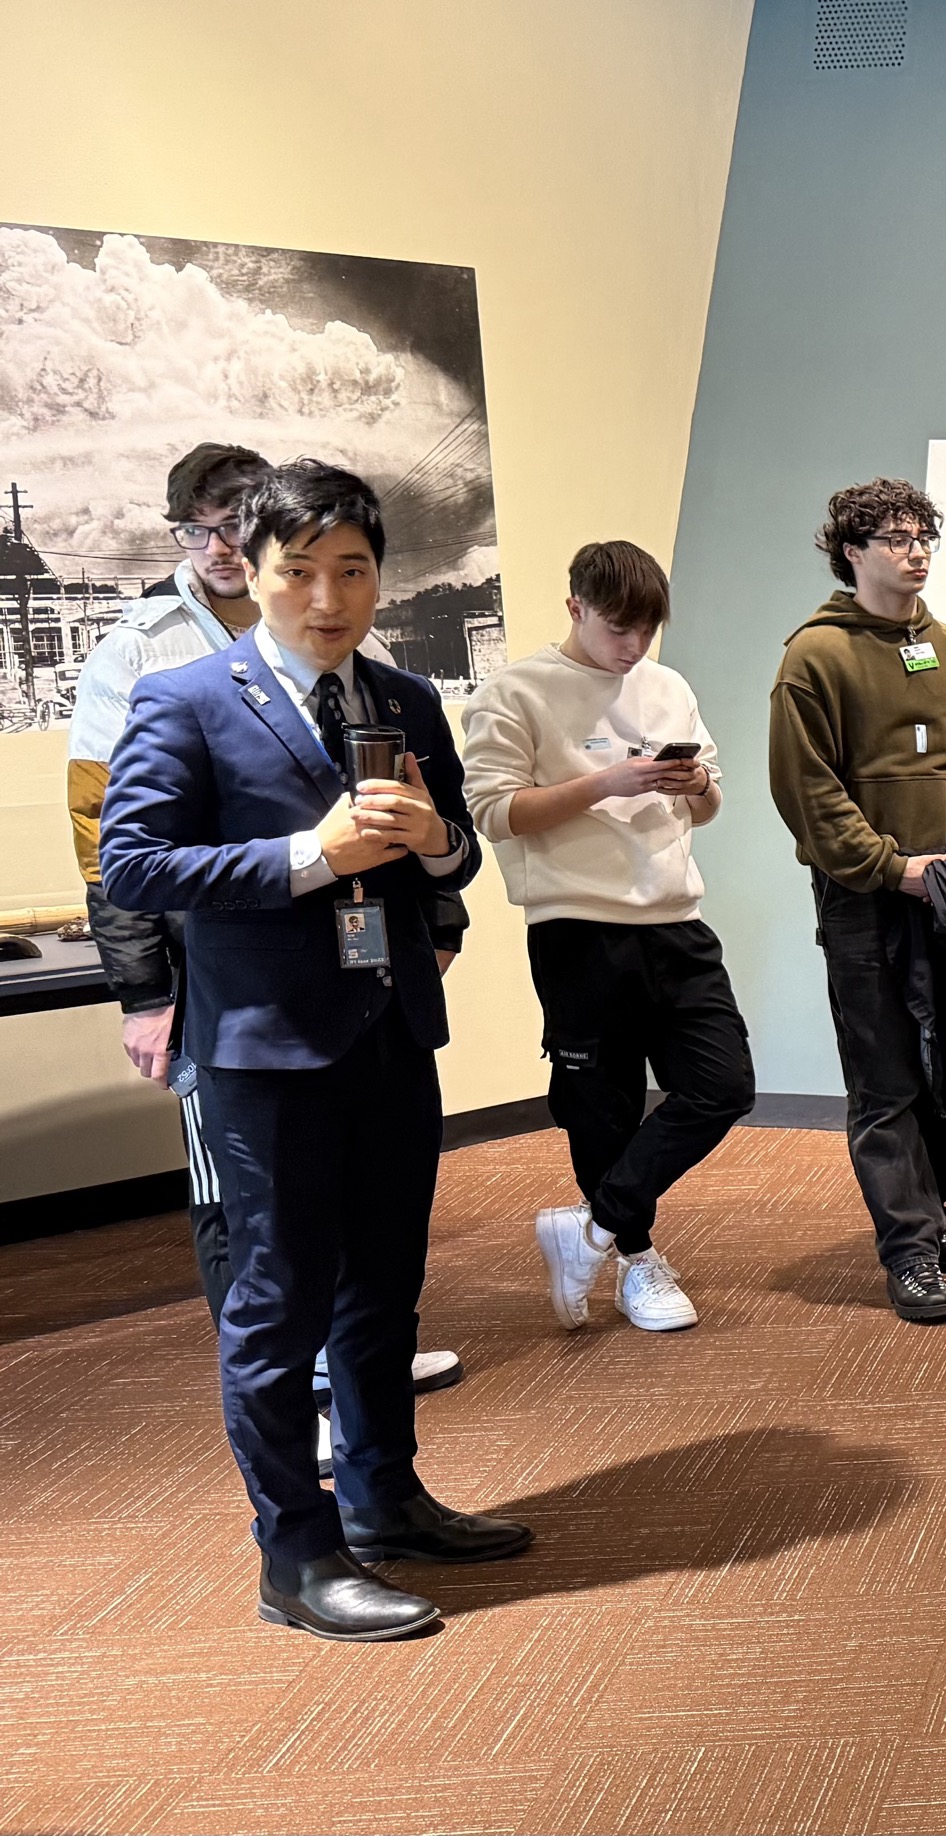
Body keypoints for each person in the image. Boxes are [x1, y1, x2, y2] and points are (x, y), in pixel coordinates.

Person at [103, 460, 524, 1640]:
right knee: (276, 1305)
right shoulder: (187, 698)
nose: (328, 599)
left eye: (353, 571)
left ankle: (387, 1498)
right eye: (301, 572)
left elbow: (453, 864)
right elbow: (134, 865)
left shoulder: (407, 699)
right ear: (253, 571)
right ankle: (294, 1554)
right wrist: (306, 858)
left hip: (390, 1036)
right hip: (263, 1052)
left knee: (386, 1291)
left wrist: (442, 843)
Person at [65, 443, 460, 1415]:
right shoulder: (145, 656)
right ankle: (300, 1417)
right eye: (202, 527)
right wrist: (148, 992)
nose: (222, 544)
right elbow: (107, 848)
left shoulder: (383, 679)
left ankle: (368, 1429)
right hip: (228, 987)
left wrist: (437, 898)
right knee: (252, 1229)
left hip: (370, 994)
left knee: (373, 1242)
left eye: (348, 569)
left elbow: (421, 816)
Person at [464, 540, 754, 1334]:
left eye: (647, 632)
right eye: (619, 630)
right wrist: (605, 784)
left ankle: (589, 1229)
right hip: (577, 929)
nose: (633, 649)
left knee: (724, 1086)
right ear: (575, 609)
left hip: (675, 920)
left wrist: (697, 786)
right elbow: (494, 813)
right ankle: (635, 1258)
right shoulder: (514, 692)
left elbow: (711, 804)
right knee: (602, 1109)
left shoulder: (667, 686)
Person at [767, 479, 946, 1323]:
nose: (915, 551)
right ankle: (907, 1252)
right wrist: (891, 867)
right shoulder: (815, 657)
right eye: (896, 537)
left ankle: (936, 1215)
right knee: (883, 1078)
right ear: (851, 551)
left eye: (923, 537)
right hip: (863, 903)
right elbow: (809, 792)